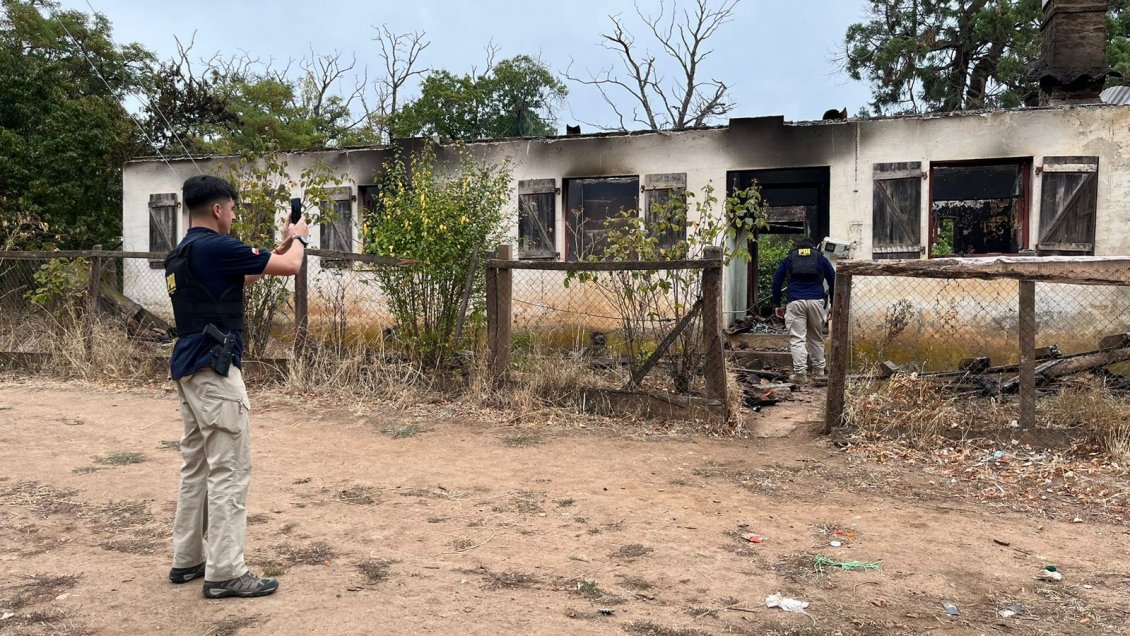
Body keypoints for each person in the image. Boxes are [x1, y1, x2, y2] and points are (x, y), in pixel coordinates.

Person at [164, 175, 309, 599]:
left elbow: (247, 274)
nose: (232, 216)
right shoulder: (217, 247)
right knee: (230, 468)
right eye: (231, 209)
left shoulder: (182, 253)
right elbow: (293, 267)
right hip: (216, 370)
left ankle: (187, 558)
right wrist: (298, 237)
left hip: (189, 370)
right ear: (217, 210)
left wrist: (281, 244)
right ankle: (226, 571)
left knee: (197, 467)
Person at [770, 238, 836, 382]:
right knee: (816, 337)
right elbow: (833, 280)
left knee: (797, 339)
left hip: (795, 301)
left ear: (797, 248)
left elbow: (776, 281)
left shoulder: (789, 259)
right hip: (816, 302)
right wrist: (833, 304)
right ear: (813, 247)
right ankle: (819, 371)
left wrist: (777, 304)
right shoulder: (821, 259)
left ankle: (800, 374)